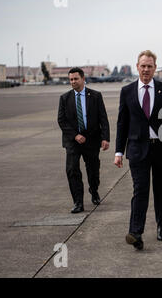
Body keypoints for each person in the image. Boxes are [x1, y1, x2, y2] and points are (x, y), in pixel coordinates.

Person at [114, 50, 162, 250]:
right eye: (143, 66)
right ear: (137, 67)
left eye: (149, 66)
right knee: (140, 191)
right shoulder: (127, 91)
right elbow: (122, 123)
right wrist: (118, 151)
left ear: (155, 68)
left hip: (161, 149)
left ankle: (161, 226)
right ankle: (136, 233)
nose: (146, 69)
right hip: (137, 149)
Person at [58, 67, 110, 214]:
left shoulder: (95, 96)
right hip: (73, 141)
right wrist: (75, 135)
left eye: (76, 79)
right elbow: (61, 121)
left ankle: (94, 190)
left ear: (83, 79)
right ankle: (78, 202)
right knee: (72, 170)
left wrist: (105, 138)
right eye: (71, 79)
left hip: (92, 139)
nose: (73, 82)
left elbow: (103, 118)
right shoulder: (64, 98)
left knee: (93, 170)